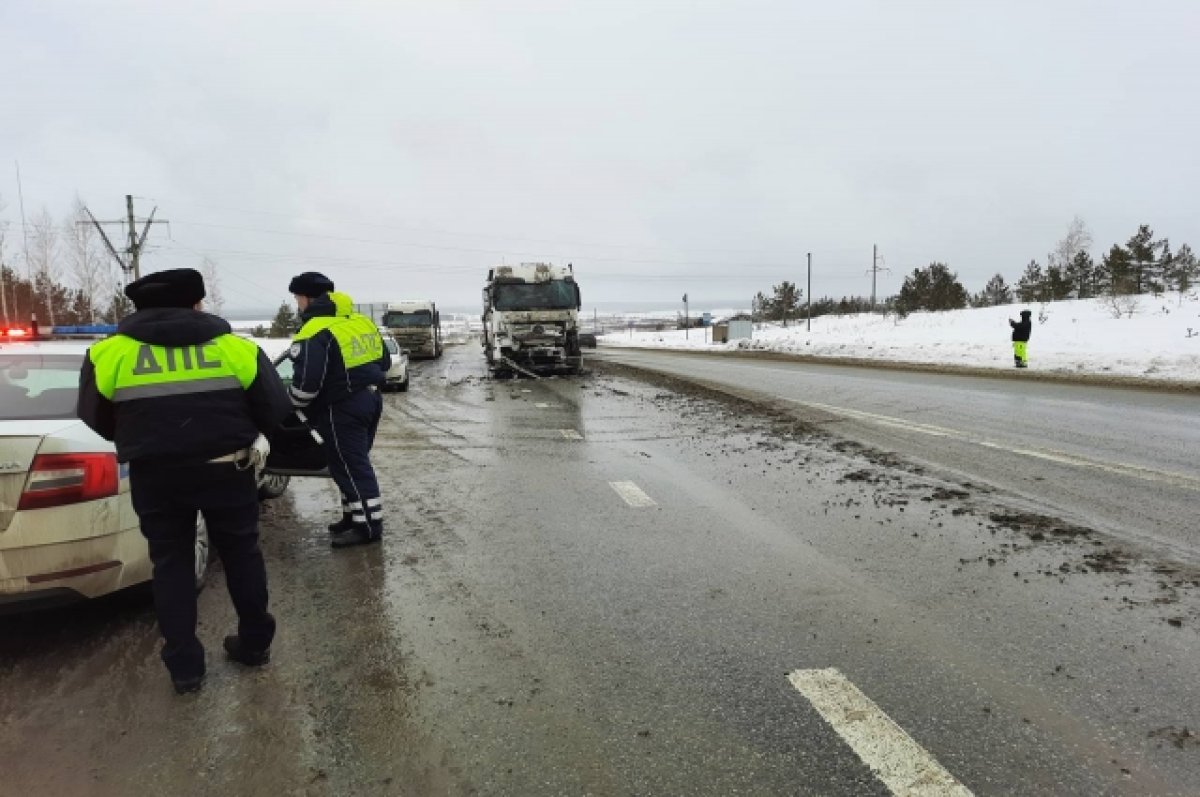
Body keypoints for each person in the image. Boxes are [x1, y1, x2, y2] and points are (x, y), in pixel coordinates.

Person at [77, 268, 291, 694]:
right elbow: (275, 409)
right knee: (242, 555)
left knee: (170, 563)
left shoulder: (108, 354)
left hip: (156, 476)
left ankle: (185, 667)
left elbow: (96, 417)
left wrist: (147, 437)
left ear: (139, 307)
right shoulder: (236, 349)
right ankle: (254, 644)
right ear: (197, 304)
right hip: (227, 469)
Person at [287, 271, 390, 548]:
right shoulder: (359, 322)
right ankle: (354, 516)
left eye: (297, 298)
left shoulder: (314, 331)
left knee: (351, 465)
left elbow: (307, 385)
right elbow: (385, 363)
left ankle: (368, 527)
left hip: (340, 407)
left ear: (306, 298)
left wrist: (289, 405)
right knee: (348, 464)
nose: (297, 304)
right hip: (371, 400)